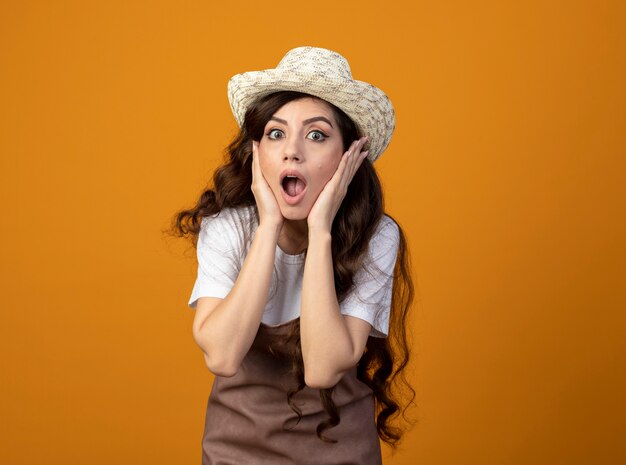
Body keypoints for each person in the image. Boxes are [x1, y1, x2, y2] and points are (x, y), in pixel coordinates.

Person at [172, 46, 414, 465]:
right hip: (237, 453)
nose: (292, 151)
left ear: (348, 158)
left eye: (317, 135)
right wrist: (267, 229)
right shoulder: (229, 226)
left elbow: (322, 370)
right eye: (276, 133)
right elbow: (222, 356)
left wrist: (320, 233)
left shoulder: (377, 236)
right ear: (257, 153)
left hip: (342, 453)